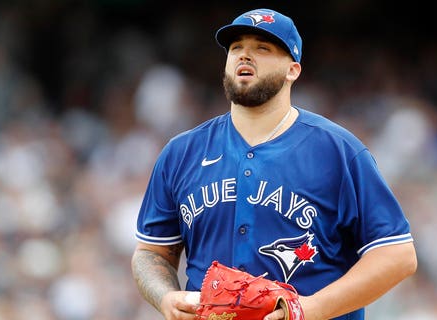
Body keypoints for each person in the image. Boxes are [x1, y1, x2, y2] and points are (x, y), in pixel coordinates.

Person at [132, 8, 417, 320]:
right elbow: (151, 253)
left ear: (292, 70)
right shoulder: (181, 153)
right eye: (237, 48)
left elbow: (397, 255)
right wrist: (166, 297)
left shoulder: (338, 151)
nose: (245, 56)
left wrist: (310, 309)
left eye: (262, 49)